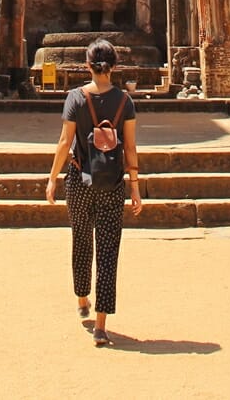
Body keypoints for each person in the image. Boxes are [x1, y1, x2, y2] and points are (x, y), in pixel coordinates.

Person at [45, 38, 142, 346]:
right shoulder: (125, 102)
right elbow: (130, 147)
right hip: (113, 182)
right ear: (114, 66)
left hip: (78, 178)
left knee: (81, 238)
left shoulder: (75, 97)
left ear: (87, 65)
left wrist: (51, 178)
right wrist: (136, 186)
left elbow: (64, 143)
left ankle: (82, 298)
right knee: (108, 250)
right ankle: (101, 324)